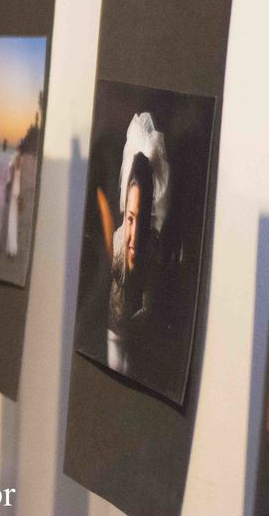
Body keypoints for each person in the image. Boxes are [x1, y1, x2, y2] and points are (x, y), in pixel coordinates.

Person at [106, 112, 170, 377]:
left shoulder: (153, 248)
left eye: (141, 220)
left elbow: (150, 301)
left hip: (140, 342)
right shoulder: (117, 240)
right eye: (130, 219)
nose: (133, 233)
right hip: (113, 332)